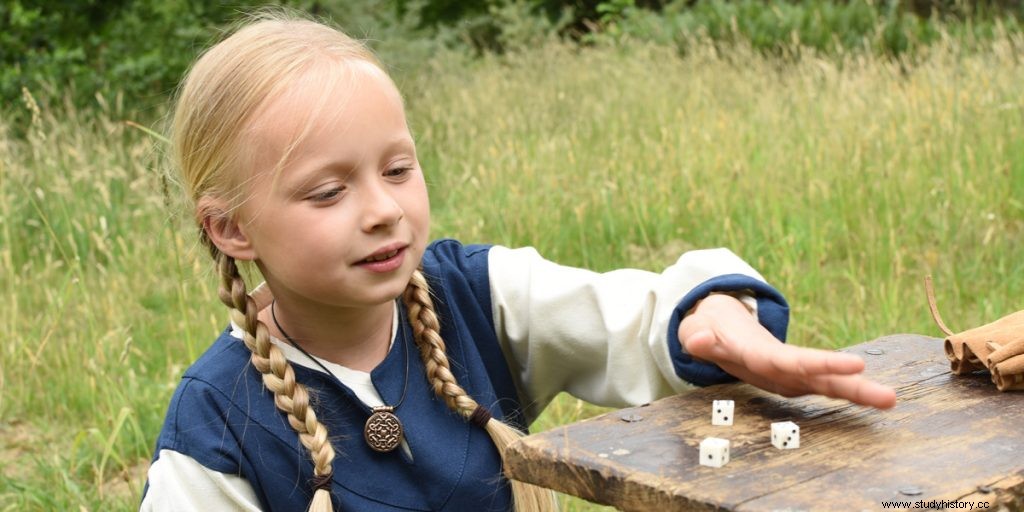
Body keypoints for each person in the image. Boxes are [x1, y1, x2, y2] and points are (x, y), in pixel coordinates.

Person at [141, 11, 896, 512]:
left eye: (398, 170)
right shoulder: (219, 420)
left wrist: (708, 317)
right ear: (232, 227)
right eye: (329, 190)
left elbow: (635, 316)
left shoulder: (472, 294)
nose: (381, 209)